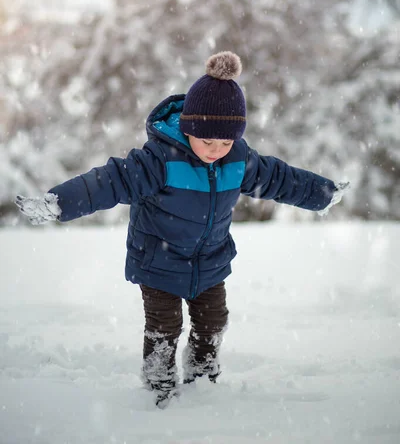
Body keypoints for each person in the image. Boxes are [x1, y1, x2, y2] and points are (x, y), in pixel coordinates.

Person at [15, 51, 349, 408]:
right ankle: (158, 386)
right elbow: (107, 182)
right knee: (164, 326)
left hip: (210, 260)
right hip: (158, 260)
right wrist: (58, 203)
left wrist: (322, 194)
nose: (215, 151)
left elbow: (280, 178)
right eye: (207, 141)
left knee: (213, 322)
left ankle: (203, 379)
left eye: (225, 143)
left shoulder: (238, 160)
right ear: (189, 127)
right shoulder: (158, 160)